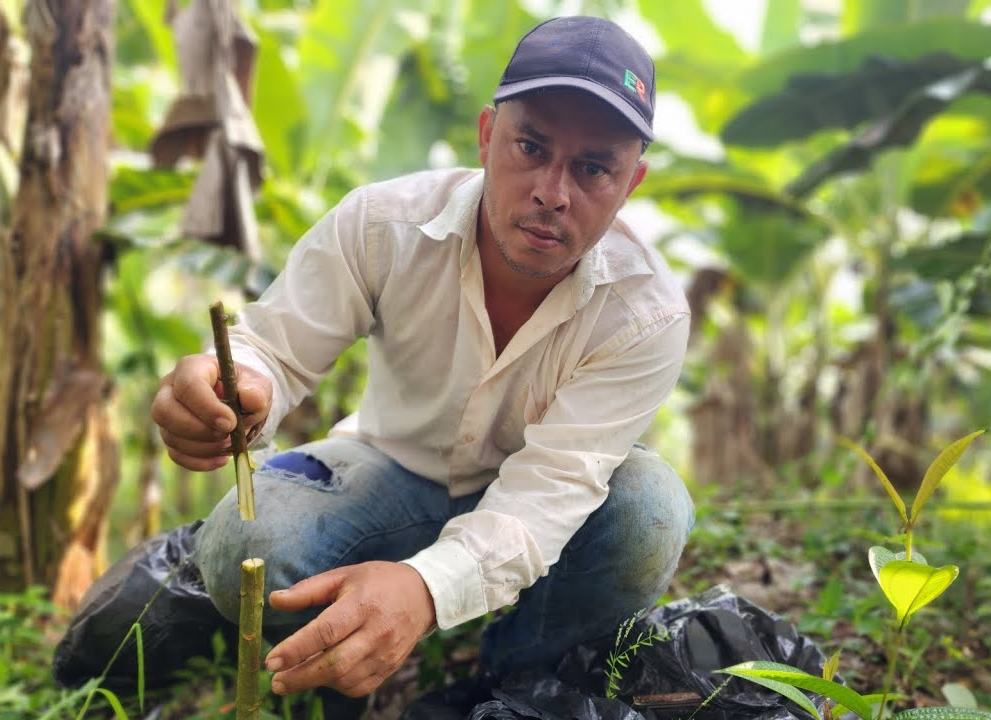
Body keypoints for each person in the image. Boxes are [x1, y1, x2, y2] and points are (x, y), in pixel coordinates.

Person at [148, 14, 693, 712]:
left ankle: (513, 681)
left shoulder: (646, 312)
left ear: (632, 182)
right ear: (489, 136)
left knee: (650, 510)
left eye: (593, 169)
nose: (553, 192)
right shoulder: (380, 226)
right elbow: (273, 351)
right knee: (243, 545)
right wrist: (234, 390)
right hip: (389, 470)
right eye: (531, 146)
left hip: (549, 507)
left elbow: (553, 488)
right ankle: (327, 683)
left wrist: (426, 590)